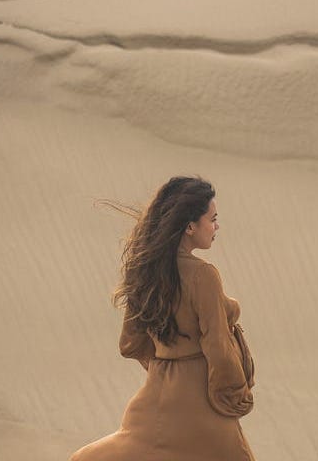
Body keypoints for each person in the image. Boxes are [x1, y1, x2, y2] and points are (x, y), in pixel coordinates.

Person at [69, 175, 256, 461]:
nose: (217, 226)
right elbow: (217, 346)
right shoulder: (203, 274)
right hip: (202, 400)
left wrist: (165, 365)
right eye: (213, 219)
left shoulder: (145, 270)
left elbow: (130, 343)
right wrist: (236, 396)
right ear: (191, 226)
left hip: (156, 398)